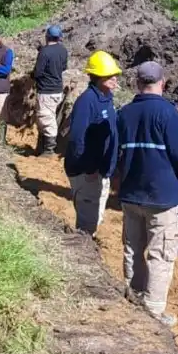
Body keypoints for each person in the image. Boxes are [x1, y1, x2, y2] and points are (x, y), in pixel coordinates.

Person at [116, 61, 178, 327]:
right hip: (161, 198)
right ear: (163, 83)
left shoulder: (124, 113)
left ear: (137, 83)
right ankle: (154, 313)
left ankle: (134, 296)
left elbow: (119, 152)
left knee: (133, 248)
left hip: (131, 194)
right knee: (161, 253)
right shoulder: (167, 113)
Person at [64, 50, 122, 236]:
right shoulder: (87, 102)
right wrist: (88, 169)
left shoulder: (106, 99)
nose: (115, 78)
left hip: (101, 171)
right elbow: (76, 138)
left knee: (96, 217)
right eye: (109, 75)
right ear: (97, 76)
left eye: (115, 74)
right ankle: (81, 255)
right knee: (88, 223)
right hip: (87, 172)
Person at [32, 24, 69, 157]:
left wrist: (32, 76)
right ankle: (42, 147)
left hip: (46, 90)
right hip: (57, 89)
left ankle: (49, 149)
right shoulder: (63, 50)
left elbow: (38, 72)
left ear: (47, 36)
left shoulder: (45, 51)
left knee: (46, 118)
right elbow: (64, 67)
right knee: (48, 116)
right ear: (59, 37)